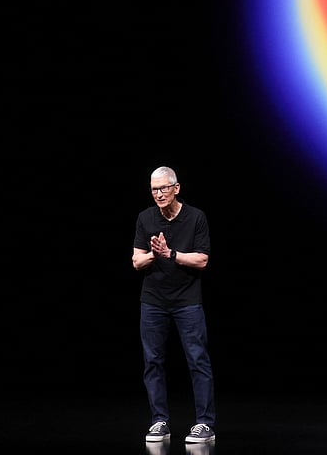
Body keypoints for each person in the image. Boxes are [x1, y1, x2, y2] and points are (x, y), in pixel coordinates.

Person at [132, 165, 217, 445]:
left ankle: (205, 424)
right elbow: (136, 261)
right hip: (153, 301)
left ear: (176, 188)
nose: (158, 194)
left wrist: (171, 253)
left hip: (187, 301)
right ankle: (159, 422)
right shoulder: (145, 218)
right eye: (154, 189)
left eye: (163, 188)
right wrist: (156, 255)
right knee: (152, 362)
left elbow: (202, 260)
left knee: (197, 360)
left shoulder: (196, 218)